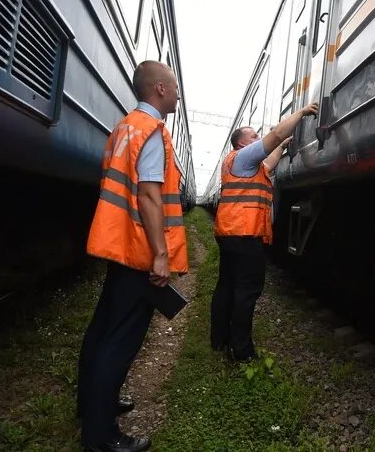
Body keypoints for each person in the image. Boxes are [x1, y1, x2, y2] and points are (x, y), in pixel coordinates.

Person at [78, 60, 188, 452]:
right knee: (120, 342)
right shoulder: (153, 131)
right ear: (159, 89)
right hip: (139, 250)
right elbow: (148, 195)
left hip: (118, 243)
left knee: (101, 330)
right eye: (174, 88)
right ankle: (101, 436)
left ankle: (91, 406)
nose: (177, 94)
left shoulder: (124, 127)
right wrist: (161, 255)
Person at [211, 102, 319, 361]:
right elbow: (276, 136)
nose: (259, 138)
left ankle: (219, 340)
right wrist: (302, 112)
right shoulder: (244, 156)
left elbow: (270, 160)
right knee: (245, 292)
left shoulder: (245, 165)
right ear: (241, 144)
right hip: (245, 237)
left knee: (227, 287)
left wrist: (282, 148)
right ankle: (242, 351)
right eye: (254, 136)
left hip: (232, 234)